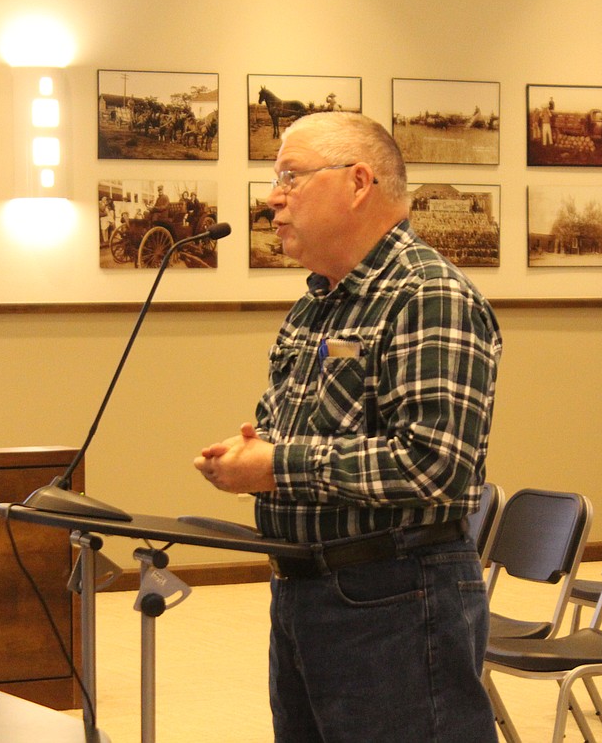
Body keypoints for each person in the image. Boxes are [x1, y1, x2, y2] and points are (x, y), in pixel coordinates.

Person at [193, 111, 502, 742]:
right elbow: (295, 430)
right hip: (305, 591)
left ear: (359, 182)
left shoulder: (428, 295)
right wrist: (251, 451)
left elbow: (433, 464)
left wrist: (279, 465)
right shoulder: (316, 302)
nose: (273, 197)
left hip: (395, 597)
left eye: (290, 176)